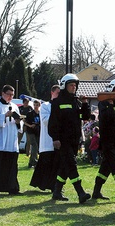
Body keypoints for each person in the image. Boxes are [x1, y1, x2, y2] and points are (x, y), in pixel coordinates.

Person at [48, 73, 91, 203]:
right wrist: (55, 138)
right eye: (71, 85)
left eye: (75, 85)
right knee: (71, 165)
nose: (73, 87)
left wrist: (84, 104)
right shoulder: (57, 102)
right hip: (62, 140)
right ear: (64, 86)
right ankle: (80, 192)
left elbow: (85, 117)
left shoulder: (76, 101)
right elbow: (53, 122)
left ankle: (56, 192)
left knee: (64, 166)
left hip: (74, 140)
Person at [92, 78, 115, 203]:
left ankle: (96, 192)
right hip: (107, 141)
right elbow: (107, 118)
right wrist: (111, 106)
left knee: (106, 167)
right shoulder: (103, 103)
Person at [30, 85, 60, 192]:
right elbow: (46, 120)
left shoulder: (62, 105)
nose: (59, 95)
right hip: (48, 140)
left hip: (59, 140)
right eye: (57, 93)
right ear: (52, 93)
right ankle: (44, 184)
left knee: (57, 165)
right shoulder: (45, 106)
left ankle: (55, 186)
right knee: (46, 164)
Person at [25, 100, 41, 168]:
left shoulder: (40, 113)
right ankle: (34, 161)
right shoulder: (30, 113)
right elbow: (25, 122)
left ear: (39, 105)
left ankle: (31, 162)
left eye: (37, 105)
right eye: (34, 105)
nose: (35, 106)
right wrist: (30, 125)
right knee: (34, 146)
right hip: (31, 131)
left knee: (36, 146)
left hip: (38, 131)